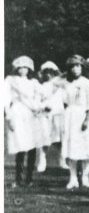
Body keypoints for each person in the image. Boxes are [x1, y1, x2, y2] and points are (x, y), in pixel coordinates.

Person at [61, 55, 89, 189]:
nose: (75, 69)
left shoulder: (88, 84)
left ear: (82, 67)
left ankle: (85, 178)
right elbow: (64, 102)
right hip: (71, 117)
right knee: (72, 148)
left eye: (78, 66)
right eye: (72, 66)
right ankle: (72, 178)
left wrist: (87, 119)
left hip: (83, 116)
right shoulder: (66, 84)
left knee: (86, 148)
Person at [5, 56, 43, 188]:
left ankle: (29, 178)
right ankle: (18, 178)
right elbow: (5, 99)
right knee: (20, 146)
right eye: (20, 67)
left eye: (25, 67)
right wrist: (9, 117)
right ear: (16, 68)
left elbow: (39, 97)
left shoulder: (33, 83)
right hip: (17, 113)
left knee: (32, 146)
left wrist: (38, 107)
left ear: (29, 69)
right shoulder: (10, 81)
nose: (23, 70)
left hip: (31, 115)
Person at [37, 61, 66, 172]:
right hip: (45, 115)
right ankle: (42, 161)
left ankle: (62, 160)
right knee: (45, 137)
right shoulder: (40, 86)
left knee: (60, 139)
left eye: (51, 72)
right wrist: (44, 106)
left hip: (58, 114)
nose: (48, 75)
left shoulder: (61, 86)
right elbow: (37, 101)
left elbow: (65, 100)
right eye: (46, 72)